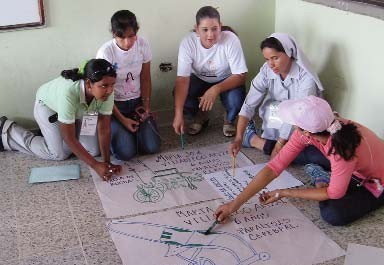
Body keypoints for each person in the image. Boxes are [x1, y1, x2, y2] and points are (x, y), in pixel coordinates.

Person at [216, 96, 384, 226]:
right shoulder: (327, 128)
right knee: (301, 155)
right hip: (350, 164)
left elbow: (333, 194)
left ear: (306, 132)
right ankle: (329, 178)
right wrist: (234, 204)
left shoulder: (342, 151)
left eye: (295, 125)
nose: (294, 128)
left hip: (375, 180)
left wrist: (283, 192)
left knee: (333, 213)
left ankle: (323, 179)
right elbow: (274, 166)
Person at [0, 59, 122, 180]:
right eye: (104, 85)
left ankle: (53, 134)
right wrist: (95, 165)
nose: (110, 90)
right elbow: (68, 137)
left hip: (79, 112)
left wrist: (107, 163)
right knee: (58, 154)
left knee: (93, 151)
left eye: (112, 84)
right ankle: (9, 131)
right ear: (89, 84)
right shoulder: (68, 93)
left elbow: (104, 129)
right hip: (49, 107)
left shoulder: (107, 93)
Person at [233, 33, 329, 168]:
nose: (271, 64)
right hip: (279, 116)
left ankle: (256, 141)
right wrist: (238, 137)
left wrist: (278, 146)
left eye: (275, 58)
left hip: (304, 123)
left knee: (313, 152)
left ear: (289, 53)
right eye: (267, 59)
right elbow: (250, 102)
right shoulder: (267, 70)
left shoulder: (305, 76)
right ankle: (264, 142)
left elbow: (298, 114)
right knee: (274, 109)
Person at [173, 6, 248, 137]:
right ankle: (201, 115)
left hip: (227, 79)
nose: (210, 35)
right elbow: (182, 80)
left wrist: (215, 89)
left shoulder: (231, 39)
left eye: (215, 29)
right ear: (196, 29)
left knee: (236, 101)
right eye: (204, 30)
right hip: (200, 78)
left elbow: (241, 76)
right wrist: (178, 114)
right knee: (181, 96)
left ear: (220, 26)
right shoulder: (188, 43)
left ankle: (229, 119)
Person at [96, 10, 161, 161]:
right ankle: (115, 130)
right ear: (114, 34)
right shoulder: (106, 52)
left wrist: (146, 106)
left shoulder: (143, 44)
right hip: (114, 106)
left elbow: (145, 77)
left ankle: (133, 131)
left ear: (136, 32)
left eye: (131, 36)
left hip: (136, 102)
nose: (127, 42)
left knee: (152, 147)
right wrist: (122, 119)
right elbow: (105, 93)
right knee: (126, 154)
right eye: (121, 37)